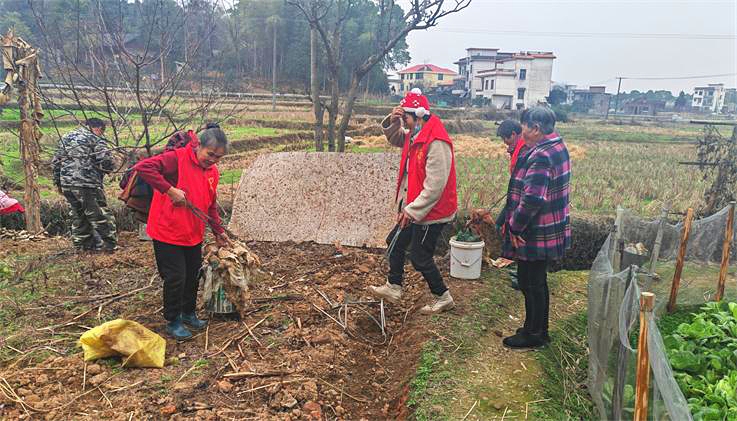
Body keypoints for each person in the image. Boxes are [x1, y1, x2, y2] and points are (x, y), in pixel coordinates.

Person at [134, 124, 230, 340]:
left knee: (192, 276)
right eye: (210, 154)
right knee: (176, 277)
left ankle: (188, 313)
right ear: (199, 146)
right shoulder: (177, 159)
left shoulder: (213, 172)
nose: (213, 160)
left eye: (218, 157)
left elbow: (210, 204)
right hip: (167, 231)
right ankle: (173, 320)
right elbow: (143, 167)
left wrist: (217, 230)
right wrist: (170, 190)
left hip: (192, 233)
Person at [368, 88, 458, 314]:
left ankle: (443, 297)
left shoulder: (436, 142)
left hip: (433, 212)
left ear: (418, 116)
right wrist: (393, 119)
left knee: (420, 256)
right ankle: (394, 287)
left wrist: (412, 211)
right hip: (416, 207)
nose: (405, 123)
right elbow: (395, 137)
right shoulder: (415, 134)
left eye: (406, 118)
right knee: (395, 241)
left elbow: (435, 186)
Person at [495, 107, 571, 349]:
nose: (522, 133)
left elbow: (533, 200)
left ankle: (535, 335)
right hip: (551, 228)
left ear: (536, 128)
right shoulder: (558, 147)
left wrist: (514, 228)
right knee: (536, 281)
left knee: (531, 281)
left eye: (525, 128)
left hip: (536, 231)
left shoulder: (541, 155)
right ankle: (535, 328)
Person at [52, 118, 117, 252]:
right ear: (98, 128)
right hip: (87, 183)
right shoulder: (95, 138)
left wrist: (58, 182)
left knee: (78, 215)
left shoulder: (66, 137)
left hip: (66, 183)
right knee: (100, 215)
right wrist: (109, 169)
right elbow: (105, 160)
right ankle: (110, 246)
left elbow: (56, 161)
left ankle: (82, 246)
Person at [496, 119, 526, 291]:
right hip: (517, 195)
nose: (505, 143)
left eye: (505, 139)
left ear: (514, 134)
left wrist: (502, 218)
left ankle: (524, 278)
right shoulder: (518, 148)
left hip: (523, 198)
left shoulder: (524, 150)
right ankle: (521, 272)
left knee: (521, 236)